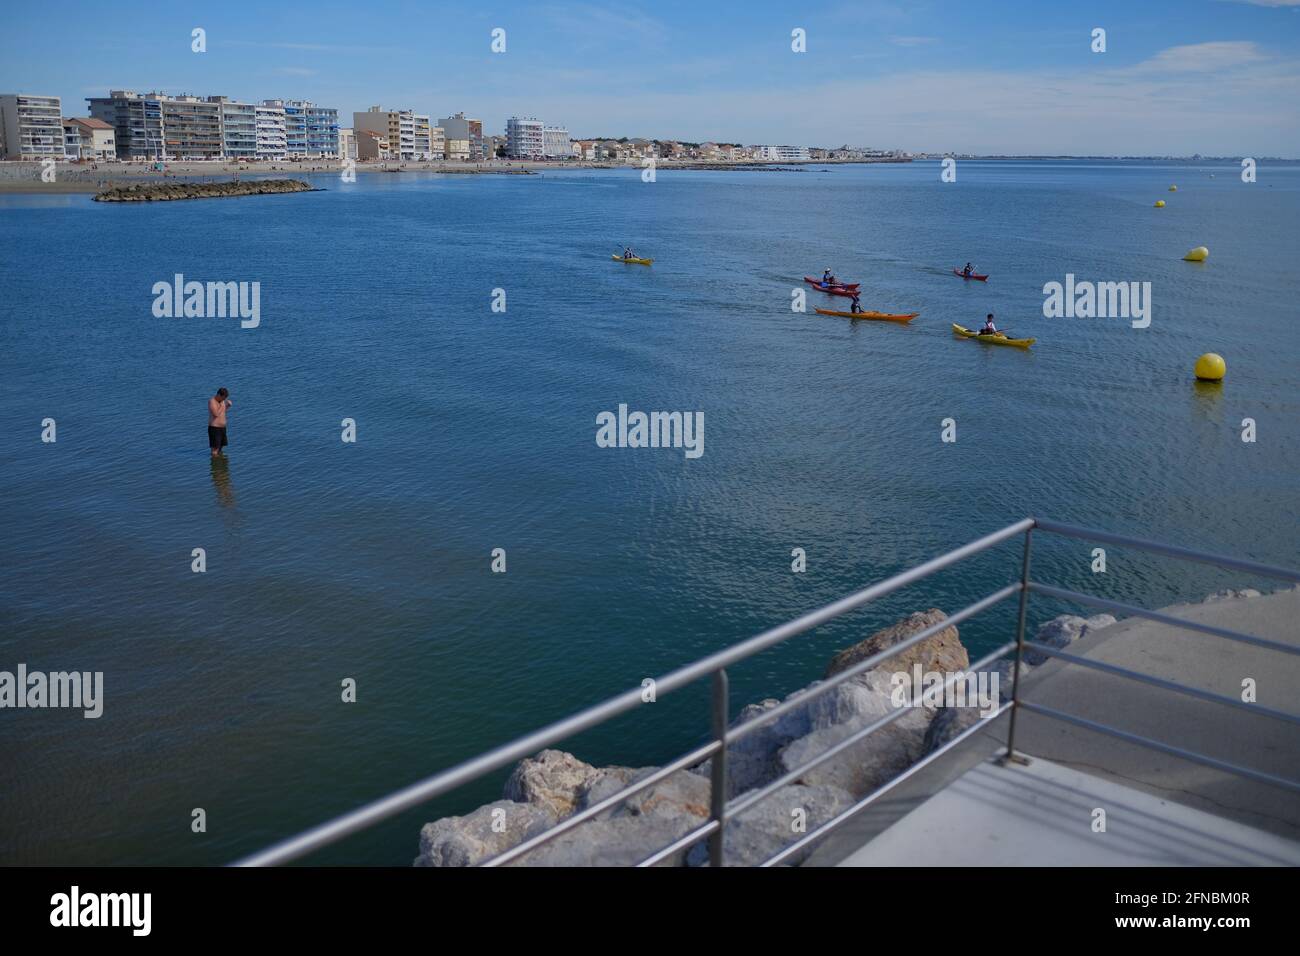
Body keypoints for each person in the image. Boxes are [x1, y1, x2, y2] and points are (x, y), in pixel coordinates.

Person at [208, 388, 232, 458]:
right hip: (215, 428)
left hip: (222, 428)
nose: (224, 400)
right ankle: (216, 466)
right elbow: (216, 414)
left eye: (225, 398)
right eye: (223, 398)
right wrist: (223, 405)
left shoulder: (221, 402)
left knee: (220, 447)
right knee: (215, 450)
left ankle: (220, 466)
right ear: (219, 394)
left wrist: (227, 406)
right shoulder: (212, 401)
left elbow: (222, 412)